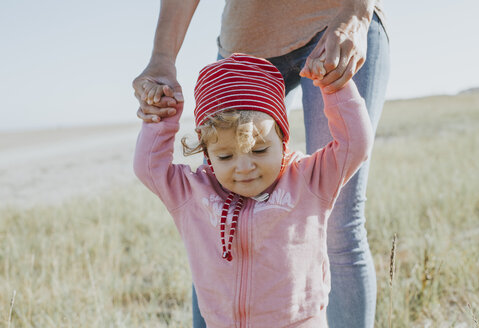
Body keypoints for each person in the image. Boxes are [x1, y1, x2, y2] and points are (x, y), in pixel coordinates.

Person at [133, 1, 390, 326]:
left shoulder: (308, 181)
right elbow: (149, 169)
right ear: (207, 156)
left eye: (258, 150)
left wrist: (335, 87)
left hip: (334, 23)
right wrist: (162, 114)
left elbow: (353, 145)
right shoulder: (196, 191)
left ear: (283, 140)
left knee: (341, 228)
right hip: (244, 35)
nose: (244, 167)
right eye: (225, 156)